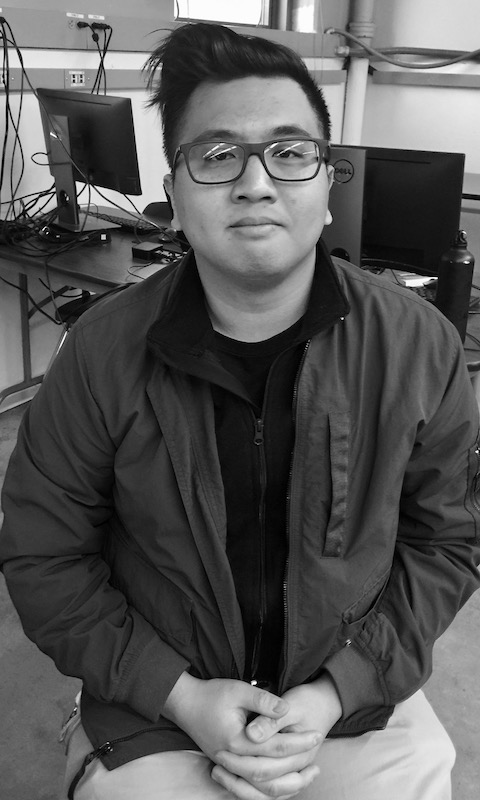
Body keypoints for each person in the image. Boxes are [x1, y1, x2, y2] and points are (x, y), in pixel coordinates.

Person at [1, 21, 480, 800]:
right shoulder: (101, 352)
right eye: (219, 155)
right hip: (159, 700)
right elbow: (42, 555)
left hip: (350, 694)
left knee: (421, 776)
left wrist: (337, 692)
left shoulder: (418, 346)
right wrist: (180, 696)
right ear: (175, 194)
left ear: (327, 185)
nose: (257, 183)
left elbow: (446, 542)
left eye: (289, 153)